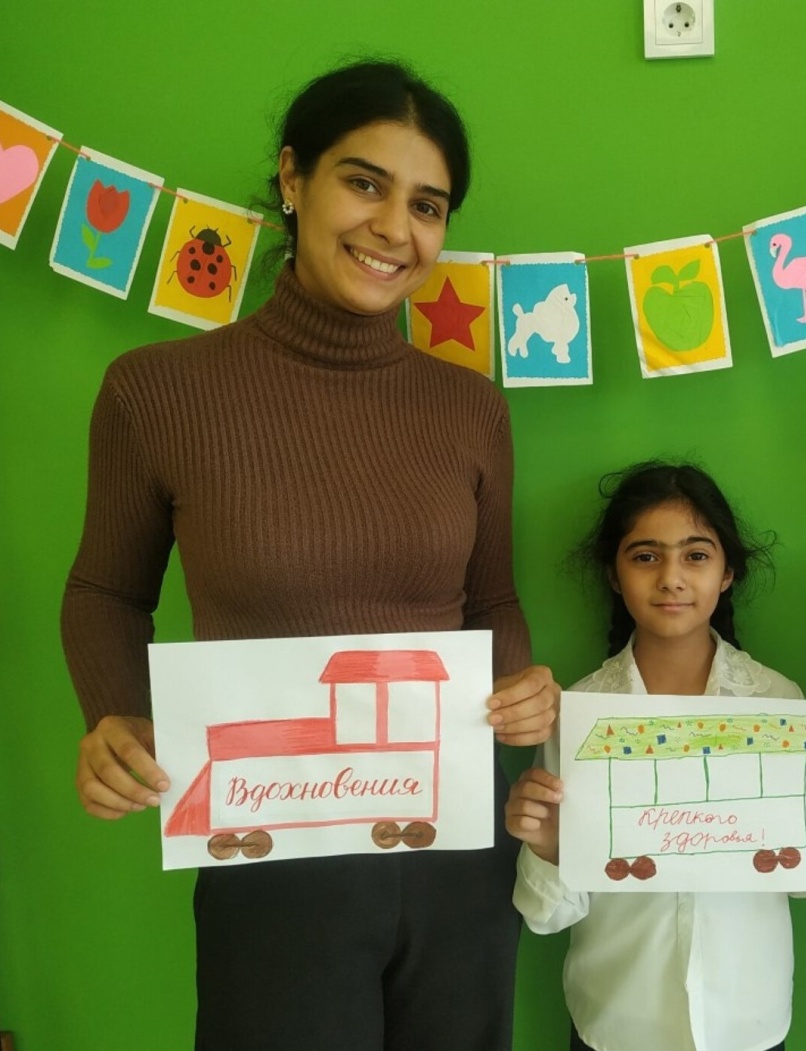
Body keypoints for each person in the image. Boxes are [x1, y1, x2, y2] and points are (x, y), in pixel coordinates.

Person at [61, 59, 558, 1051]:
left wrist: (522, 690)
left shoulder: (471, 408)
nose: (394, 228)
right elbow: (106, 590)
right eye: (364, 182)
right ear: (292, 178)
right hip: (266, 850)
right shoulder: (156, 393)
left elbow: (490, 602)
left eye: (427, 205)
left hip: (456, 846)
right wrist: (115, 716)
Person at [505, 460, 806, 1051]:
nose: (671, 578)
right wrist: (548, 847)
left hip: (746, 1018)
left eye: (696, 555)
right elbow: (547, 914)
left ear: (727, 574)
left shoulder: (777, 703)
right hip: (617, 1020)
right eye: (646, 556)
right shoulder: (579, 717)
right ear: (615, 575)